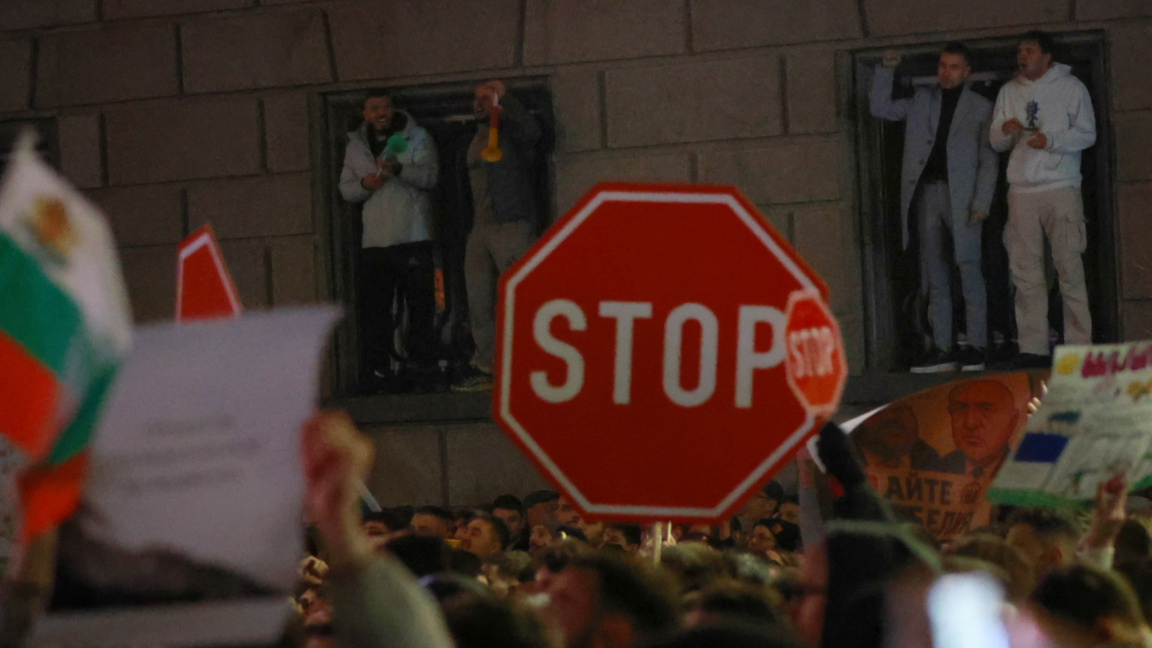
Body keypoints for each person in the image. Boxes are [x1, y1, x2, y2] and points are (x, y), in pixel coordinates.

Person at [870, 42, 998, 373]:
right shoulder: (923, 99)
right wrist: (886, 69)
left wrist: (982, 201)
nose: (946, 72)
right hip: (927, 193)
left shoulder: (981, 106)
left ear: (967, 71)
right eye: (943, 65)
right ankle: (943, 347)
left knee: (969, 269)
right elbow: (881, 108)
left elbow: (988, 159)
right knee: (935, 273)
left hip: (963, 197)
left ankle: (978, 345)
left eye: (954, 67)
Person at [989, 30, 1096, 367]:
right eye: (1020, 50)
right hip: (1021, 190)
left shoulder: (1071, 87)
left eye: (1030, 50)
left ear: (1047, 56)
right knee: (1026, 272)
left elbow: (1087, 133)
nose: (1023, 56)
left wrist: (1050, 140)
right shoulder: (1009, 91)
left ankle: (1078, 346)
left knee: (1068, 266)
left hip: (1060, 186)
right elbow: (995, 141)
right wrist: (1005, 132)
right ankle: (1032, 347)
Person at [338, 92, 441, 394]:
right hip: (375, 242)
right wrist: (363, 185)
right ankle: (378, 371)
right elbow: (345, 189)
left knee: (420, 307)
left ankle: (421, 369)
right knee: (376, 309)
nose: (381, 112)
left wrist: (399, 169)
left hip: (413, 237)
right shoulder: (356, 146)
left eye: (385, 107)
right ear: (366, 114)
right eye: (375, 108)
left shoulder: (418, 137)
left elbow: (431, 177)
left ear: (393, 110)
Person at [452, 80, 542, 392]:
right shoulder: (468, 138)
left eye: (486, 98)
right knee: (479, 301)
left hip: (511, 225)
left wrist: (507, 100)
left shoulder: (512, 132)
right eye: (476, 98)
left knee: (520, 298)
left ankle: (530, 364)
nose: (479, 103)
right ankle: (487, 366)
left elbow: (534, 132)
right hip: (478, 229)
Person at [931, 379, 1020, 477]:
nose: (970, 423)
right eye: (960, 409)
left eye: (986, 410)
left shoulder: (1025, 472)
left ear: (1012, 421)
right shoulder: (936, 469)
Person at [854, 404, 941, 471]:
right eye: (878, 410)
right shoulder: (846, 457)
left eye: (899, 409)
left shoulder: (928, 458)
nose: (890, 417)